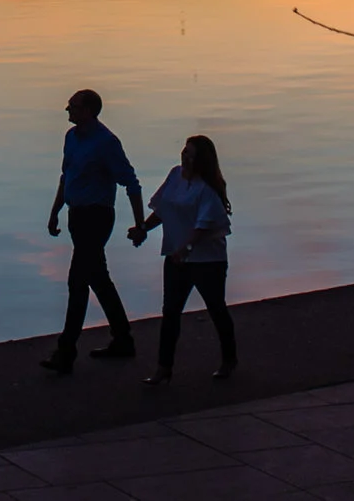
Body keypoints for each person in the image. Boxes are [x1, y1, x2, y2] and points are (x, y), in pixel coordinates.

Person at [41, 88, 145, 373]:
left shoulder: (106, 143)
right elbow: (67, 177)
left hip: (97, 217)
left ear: (87, 111)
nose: (67, 110)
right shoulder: (71, 139)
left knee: (78, 281)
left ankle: (66, 352)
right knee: (97, 278)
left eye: (72, 106)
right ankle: (123, 339)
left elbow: (131, 183)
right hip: (77, 215)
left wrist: (141, 224)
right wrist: (55, 212)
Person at [130, 133, 236, 383]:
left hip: (208, 261)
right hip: (176, 258)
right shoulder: (175, 176)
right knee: (170, 312)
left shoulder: (207, 188)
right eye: (184, 150)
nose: (184, 155)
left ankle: (229, 360)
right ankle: (163, 368)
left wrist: (186, 249)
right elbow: (163, 210)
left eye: (189, 152)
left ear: (200, 159)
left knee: (216, 308)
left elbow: (203, 225)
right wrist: (143, 229)